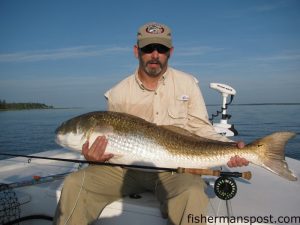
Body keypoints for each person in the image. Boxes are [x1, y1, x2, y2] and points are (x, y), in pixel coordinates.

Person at [54, 22, 248, 225]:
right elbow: (110, 146)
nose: (155, 55)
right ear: (136, 51)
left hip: (175, 170)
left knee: (192, 192)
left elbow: (201, 128)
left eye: (161, 49)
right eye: (148, 48)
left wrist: (231, 148)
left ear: (170, 52)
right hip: (124, 171)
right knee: (75, 184)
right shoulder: (118, 92)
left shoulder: (187, 84)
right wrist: (93, 157)